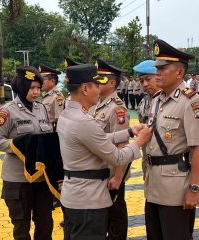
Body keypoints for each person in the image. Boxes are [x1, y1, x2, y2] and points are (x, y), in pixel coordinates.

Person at [57, 63, 152, 240]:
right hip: (88, 200)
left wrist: (129, 132)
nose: (98, 89)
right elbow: (117, 157)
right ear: (85, 88)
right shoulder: (84, 121)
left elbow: (94, 140)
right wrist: (139, 141)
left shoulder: (67, 115)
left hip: (73, 195)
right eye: (95, 85)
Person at [144, 39, 199, 240]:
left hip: (176, 189)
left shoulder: (191, 102)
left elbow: (198, 148)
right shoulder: (157, 100)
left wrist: (194, 188)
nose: (157, 73)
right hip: (153, 184)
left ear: (179, 73)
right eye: (157, 68)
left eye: (163, 68)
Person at [0, 66, 54, 240]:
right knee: (21, 227)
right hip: (17, 179)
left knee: (45, 224)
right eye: (32, 88)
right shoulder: (7, 111)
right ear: (21, 87)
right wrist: (21, 146)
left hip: (41, 178)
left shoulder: (41, 108)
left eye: (38, 88)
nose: (35, 92)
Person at [91, 59, 130, 240]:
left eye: (101, 79)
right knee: (102, 214)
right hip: (99, 170)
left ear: (112, 83)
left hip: (112, 173)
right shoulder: (97, 104)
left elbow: (122, 144)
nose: (97, 82)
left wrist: (118, 177)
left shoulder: (117, 108)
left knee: (115, 215)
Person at [133, 59, 161, 177]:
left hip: (169, 164)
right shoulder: (144, 101)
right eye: (141, 80)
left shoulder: (171, 100)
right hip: (148, 158)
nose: (144, 84)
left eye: (148, 79)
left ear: (158, 76)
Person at [39, 64, 64, 131]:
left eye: (43, 79)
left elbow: (59, 120)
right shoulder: (45, 95)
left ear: (52, 81)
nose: (40, 82)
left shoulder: (57, 97)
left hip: (51, 132)